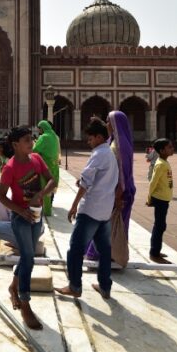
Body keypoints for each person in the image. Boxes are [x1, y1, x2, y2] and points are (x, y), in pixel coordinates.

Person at [0, 126, 56, 330]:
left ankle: (13, 287)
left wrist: (40, 194)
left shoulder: (36, 159)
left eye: (32, 139)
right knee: (29, 258)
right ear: (15, 145)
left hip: (36, 215)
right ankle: (25, 303)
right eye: (27, 140)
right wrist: (20, 211)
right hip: (21, 217)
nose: (32, 143)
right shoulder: (10, 168)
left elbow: (51, 180)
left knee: (26, 256)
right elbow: (1, 196)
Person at [55, 119, 119, 300]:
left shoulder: (99, 154)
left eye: (90, 139)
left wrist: (74, 205)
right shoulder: (110, 154)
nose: (88, 142)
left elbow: (86, 181)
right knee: (104, 251)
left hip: (91, 209)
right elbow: (101, 180)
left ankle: (74, 286)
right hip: (105, 210)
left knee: (76, 249)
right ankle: (105, 286)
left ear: (99, 137)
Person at [85, 111, 136, 266]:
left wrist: (118, 196)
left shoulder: (120, 146)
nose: (106, 124)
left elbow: (122, 174)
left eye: (108, 121)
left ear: (115, 124)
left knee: (110, 224)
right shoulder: (116, 142)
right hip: (115, 190)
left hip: (120, 192)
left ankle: (108, 254)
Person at [147, 138, 175, 264]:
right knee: (159, 226)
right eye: (169, 147)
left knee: (161, 226)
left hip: (164, 198)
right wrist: (149, 198)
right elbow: (153, 182)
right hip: (160, 199)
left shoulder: (164, 162)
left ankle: (157, 250)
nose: (172, 149)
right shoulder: (160, 164)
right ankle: (154, 253)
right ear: (162, 150)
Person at [33, 120, 60, 214]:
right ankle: (48, 209)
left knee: (44, 187)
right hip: (54, 165)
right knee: (51, 187)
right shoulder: (54, 136)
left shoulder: (44, 137)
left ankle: (46, 210)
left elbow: (35, 150)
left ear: (42, 128)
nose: (38, 131)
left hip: (46, 165)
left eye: (39, 129)